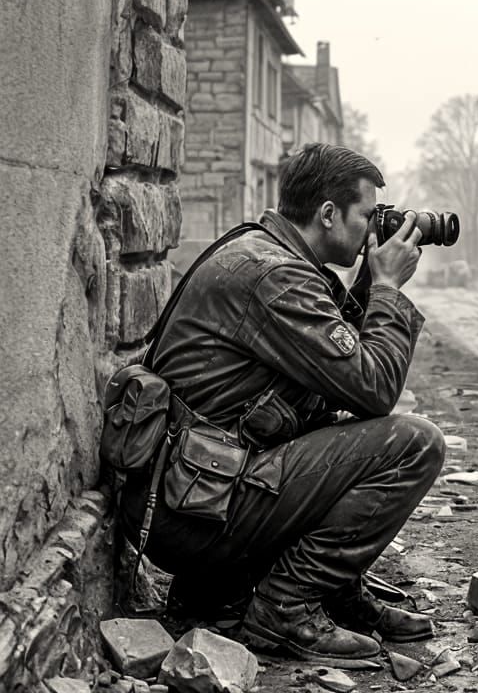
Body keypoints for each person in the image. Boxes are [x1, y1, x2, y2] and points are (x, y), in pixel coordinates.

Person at [118, 143, 446, 666]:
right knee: (414, 444)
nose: (371, 230)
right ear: (328, 214)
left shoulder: (269, 254)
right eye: (366, 215)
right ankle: (285, 607)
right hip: (194, 514)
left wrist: (366, 283)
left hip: (195, 496)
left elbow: (339, 364)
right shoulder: (276, 276)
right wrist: (386, 287)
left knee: (341, 423)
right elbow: (375, 385)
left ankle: (332, 589)